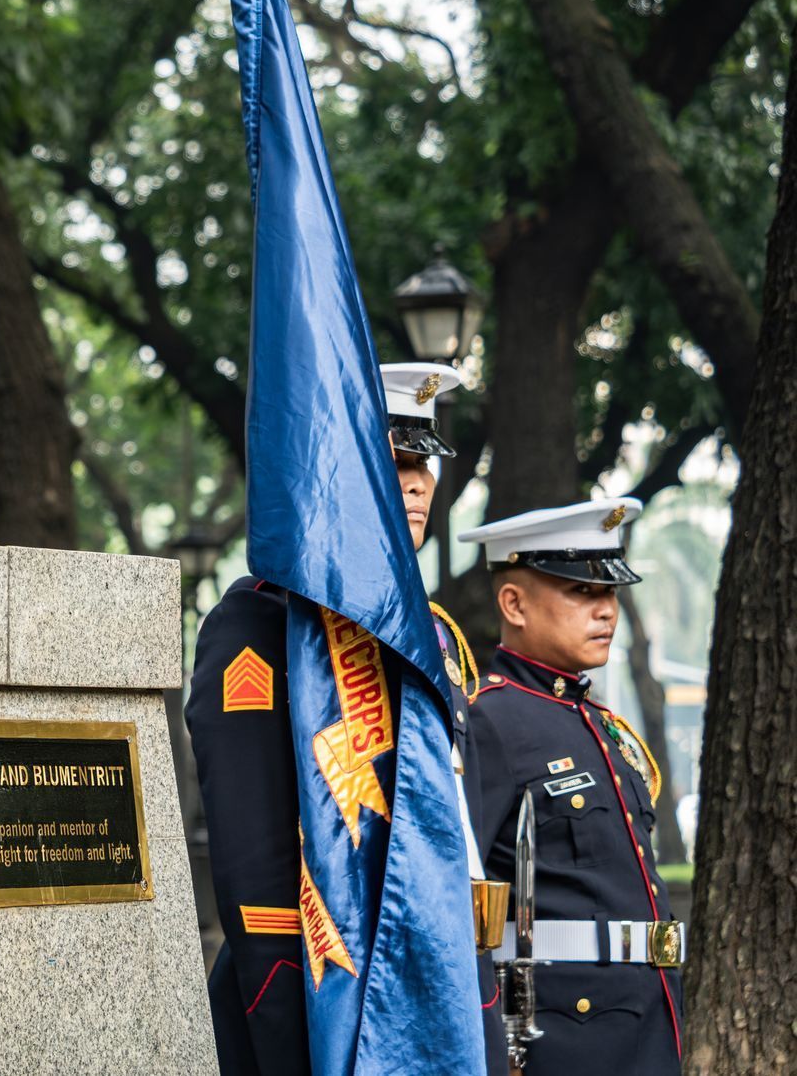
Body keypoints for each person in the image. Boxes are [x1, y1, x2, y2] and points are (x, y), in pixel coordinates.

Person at [186, 362, 501, 1075]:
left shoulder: (433, 638)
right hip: (318, 1006)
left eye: (425, 461)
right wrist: (288, 1024)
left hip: (443, 993)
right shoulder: (259, 626)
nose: (418, 481)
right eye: (394, 459)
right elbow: (255, 865)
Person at [460, 498, 680, 1075]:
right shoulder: (489, 722)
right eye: (582, 593)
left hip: (647, 1020)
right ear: (514, 604)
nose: (606, 610)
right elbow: (455, 899)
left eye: (609, 593)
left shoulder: (599, 725)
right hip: (556, 1037)